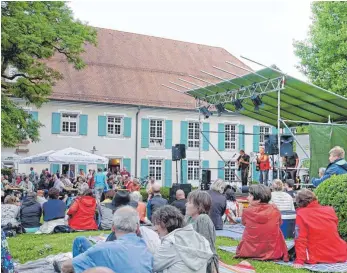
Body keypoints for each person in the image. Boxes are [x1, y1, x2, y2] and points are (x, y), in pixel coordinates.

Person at [61, 206, 153, 273]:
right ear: (137, 228)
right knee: (80, 240)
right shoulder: (146, 250)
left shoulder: (103, 249)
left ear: (113, 228)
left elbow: (65, 267)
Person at [293, 189, 347, 268]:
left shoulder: (301, 214)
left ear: (299, 202)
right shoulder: (330, 210)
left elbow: (300, 238)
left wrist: (299, 261)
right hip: (339, 253)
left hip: (317, 256)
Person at [152, 205, 213, 273]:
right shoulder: (201, 239)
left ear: (164, 223)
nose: (155, 228)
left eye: (156, 223)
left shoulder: (171, 242)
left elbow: (152, 266)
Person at [235, 184, 289, 261]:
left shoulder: (247, 211)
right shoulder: (275, 209)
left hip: (250, 250)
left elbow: (244, 223)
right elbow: (280, 223)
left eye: (250, 196)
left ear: (258, 199)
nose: (247, 198)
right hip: (272, 249)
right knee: (277, 230)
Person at [186, 190, 219, 273]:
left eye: (189, 202)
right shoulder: (189, 218)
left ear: (198, 206)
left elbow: (206, 248)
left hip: (203, 264)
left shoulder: (203, 219)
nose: (186, 204)